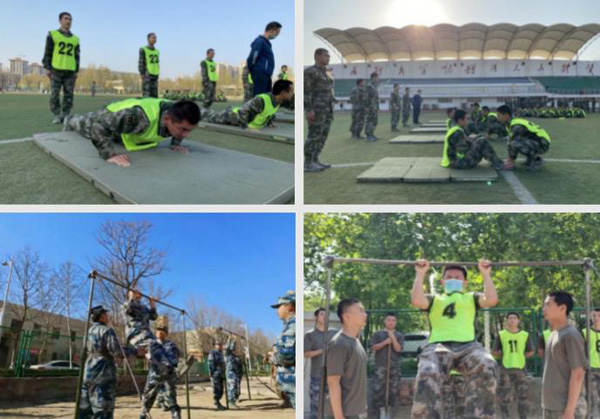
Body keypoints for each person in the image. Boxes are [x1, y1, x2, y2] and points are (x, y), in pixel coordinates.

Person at [410, 259, 499, 419]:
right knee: (427, 371)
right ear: (442, 281)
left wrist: (486, 274)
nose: (453, 279)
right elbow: (417, 301)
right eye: (449, 276)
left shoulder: (471, 298)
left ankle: (480, 416)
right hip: (438, 347)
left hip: (469, 348)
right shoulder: (435, 299)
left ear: (465, 282)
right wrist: (420, 273)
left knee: (487, 363)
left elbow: (491, 300)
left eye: (457, 277)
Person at [63, 98, 200, 167]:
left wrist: (176, 143)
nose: (186, 135)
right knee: (83, 123)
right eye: (182, 130)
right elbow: (100, 125)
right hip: (110, 115)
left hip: (129, 127)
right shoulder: (138, 118)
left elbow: (183, 123)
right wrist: (109, 155)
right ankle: (68, 119)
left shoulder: (177, 115)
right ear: (166, 119)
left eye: (189, 130)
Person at [79, 305, 142, 418]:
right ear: (102, 316)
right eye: (105, 314)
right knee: (103, 410)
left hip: (88, 372)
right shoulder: (106, 330)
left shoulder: (88, 331)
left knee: (86, 410)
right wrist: (136, 351)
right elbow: (117, 351)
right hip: (102, 374)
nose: (108, 316)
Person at [541, 291, 588, 418]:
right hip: (551, 406)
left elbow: (578, 373)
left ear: (562, 308)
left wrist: (569, 411)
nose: (543, 309)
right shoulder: (553, 334)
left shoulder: (571, 335)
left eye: (548, 305)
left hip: (564, 409)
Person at [325, 298, 368, 419]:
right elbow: (333, 382)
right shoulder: (339, 344)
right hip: (344, 413)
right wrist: (339, 416)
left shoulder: (355, 341)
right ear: (347, 316)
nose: (365, 314)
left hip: (354, 411)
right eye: (360, 311)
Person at [200, 79, 293, 129]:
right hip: (233, 116)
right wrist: (248, 128)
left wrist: (269, 122)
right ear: (283, 92)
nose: (293, 94)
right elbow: (243, 111)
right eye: (291, 91)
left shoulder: (279, 101)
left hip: (244, 118)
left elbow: (267, 113)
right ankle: (202, 111)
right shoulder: (261, 100)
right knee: (212, 117)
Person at [492, 312, 534, 419]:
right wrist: (504, 354)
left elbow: (531, 351)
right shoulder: (501, 334)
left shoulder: (525, 335)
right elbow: (494, 351)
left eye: (514, 318)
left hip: (521, 370)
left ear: (518, 320)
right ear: (507, 320)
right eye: (509, 318)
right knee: (504, 397)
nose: (512, 320)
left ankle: (523, 417)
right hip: (505, 370)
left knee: (523, 398)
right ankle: (505, 417)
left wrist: (520, 355)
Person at [139, 317, 181, 419]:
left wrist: (160, 361)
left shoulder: (170, 345)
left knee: (171, 398)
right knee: (147, 398)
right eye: (158, 330)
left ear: (166, 333)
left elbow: (173, 359)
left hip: (167, 375)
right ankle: (143, 415)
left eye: (162, 330)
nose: (159, 332)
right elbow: (143, 352)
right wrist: (147, 356)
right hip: (154, 375)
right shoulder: (151, 343)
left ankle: (176, 416)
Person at [42, 11, 80, 124]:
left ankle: (66, 114)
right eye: (66, 19)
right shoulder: (53, 34)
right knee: (54, 94)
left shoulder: (75, 39)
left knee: (69, 95)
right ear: (60, 21)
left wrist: (76, 70)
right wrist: (47, 67)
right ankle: (57, 114)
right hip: (56, 69)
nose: (68, 21)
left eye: (70, 19)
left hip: (70, 71)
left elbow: (77, 56)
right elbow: (48, 52)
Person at [441, 109, 505, 170]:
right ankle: (498, 163)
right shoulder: (457, 132)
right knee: (482, 141)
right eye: (466, 119)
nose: (467, 121)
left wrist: (472, 140)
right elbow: (462, 152)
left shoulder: (455, 128)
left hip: (454, 161)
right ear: (460, 121)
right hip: (458, 162)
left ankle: (496, 162)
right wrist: (473, 142)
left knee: (479, 139)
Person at [304, 307, 339, 419]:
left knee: (334, 404)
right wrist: (321, 351)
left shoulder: (335, 333)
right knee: (316, 405)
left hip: (333, 375)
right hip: (317, 375)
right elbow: (306, 354)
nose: (324, 317)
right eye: (322, 314)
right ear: (316, 317)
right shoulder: (310, 334)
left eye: (326, 314)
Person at [304, 48, 334, 172]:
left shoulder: (325, 73)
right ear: (317, 56)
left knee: (322, 136)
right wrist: (309, 110)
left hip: (327, 110)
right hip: (316, 110)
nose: (328, 58)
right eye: (325, 55)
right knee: (314, 135)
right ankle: (307, 162)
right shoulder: (311, 72)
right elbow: (306, 92)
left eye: (329, 56)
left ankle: (315, 159)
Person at [497, 104, 551, 172]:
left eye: (499, 115)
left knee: (515, 143)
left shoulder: (516, 125)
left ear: (506, 115)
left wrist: (510, 162)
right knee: (513, 142)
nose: (498, 118)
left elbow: (513, 143)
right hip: (537, 141)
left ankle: (537, 160)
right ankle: (531, 159)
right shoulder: (511, 124)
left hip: (542, 142)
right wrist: (509, 160)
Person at [369, 313, 404, 418]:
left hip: (394, 367)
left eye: (393, 320)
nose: (391, 322)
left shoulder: (399, 335)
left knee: (393, 390)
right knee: (378, 390)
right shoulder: (377, 334)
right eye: (389, 320)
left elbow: (398, 349)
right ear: (385, 321)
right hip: (380, 366)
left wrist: (393, 339)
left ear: (396, 322)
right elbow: (373, 348)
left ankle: (389, 410)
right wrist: (385, 342)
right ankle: (380, 412)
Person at [271, 291, 296, 408]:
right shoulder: (288, 325)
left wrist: (273, 357)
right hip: (289, 382)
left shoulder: (293, 324)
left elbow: (286, 355)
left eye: (279, 306)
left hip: (292, 381)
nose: (277, 310)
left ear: (289, 306)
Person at [247, 21, 282, 95]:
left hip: (266, 75)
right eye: (277, 32)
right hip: (260, 74)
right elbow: (253, 56)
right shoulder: (260, 41)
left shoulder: (267, 43)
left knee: (266, 98)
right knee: (260, 98)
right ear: (272, 30)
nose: (277, 35)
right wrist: (252, 69)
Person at [583, 308, 600, 418]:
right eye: (594, 315)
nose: (596, 318)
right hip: (592, 369)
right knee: (591, 398)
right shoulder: (585, 332)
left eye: (599, 315)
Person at [139, 33, 160, 98]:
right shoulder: (143, 49)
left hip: (155, 74)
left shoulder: (157, 51)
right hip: (147, 74)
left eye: (155, 38)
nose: (154, 39)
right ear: (148, 39)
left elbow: (157, 63)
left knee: (154, 95)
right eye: (153, 38)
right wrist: (142, 73)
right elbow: (141, 62)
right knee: (147, 94)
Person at [224, 336, 243, 408]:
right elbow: (229, 347)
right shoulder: (227, 354)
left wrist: (235, 340)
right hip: (230, 373)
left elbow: (232, 348)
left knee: (234, 387)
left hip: (234, 373)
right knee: (231, 387)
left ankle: (232, 401)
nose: (233, 350)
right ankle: (230, 402)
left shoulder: (233, 356)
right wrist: (230, 339)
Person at [208, 342, 227, 410]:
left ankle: (218, 402)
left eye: (220, 344)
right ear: (215, 346)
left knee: (221, 390)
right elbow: (211, 363)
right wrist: (211, 372)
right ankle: (216, 403)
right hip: (215, 374)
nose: (220, 346)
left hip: (221, 374)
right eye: (218, 345)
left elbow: (223, 364)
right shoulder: (213, 353)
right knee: (216, 389)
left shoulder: (221, 354)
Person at [364, 72, 380, 142]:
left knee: (374, 121)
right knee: (369, 121)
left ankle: (372, 134)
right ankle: (368, 136)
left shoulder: (374, 86)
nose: (378, 79)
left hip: (374, 107)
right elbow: (366, 97)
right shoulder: (369, 86)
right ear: (373, 77)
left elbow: (375, 98)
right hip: (370, 107)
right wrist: (367, 107)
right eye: (377, 77)